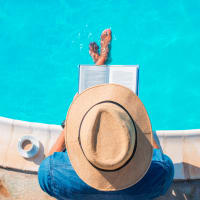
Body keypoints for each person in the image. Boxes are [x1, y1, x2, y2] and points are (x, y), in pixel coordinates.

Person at [38, 29, 174, 200]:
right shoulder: (161, 174)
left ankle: (100, 62)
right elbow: (156, 155)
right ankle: (102, 60)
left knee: (92, 103)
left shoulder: (51, 175)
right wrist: (138, 123)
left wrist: (70, 121)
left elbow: (48, 161)